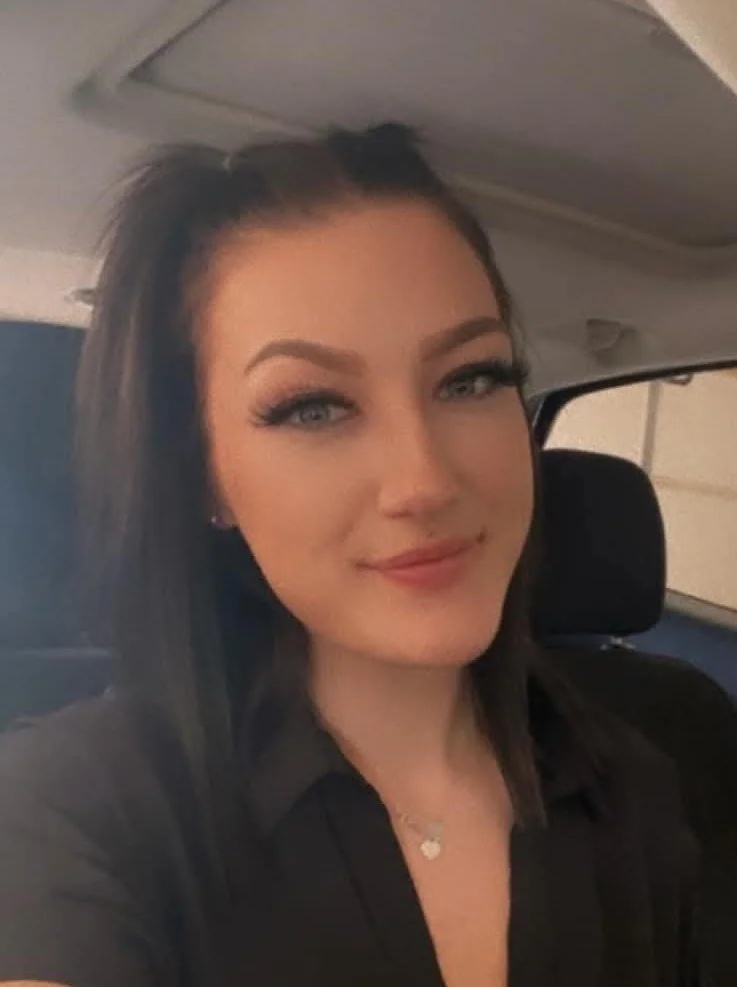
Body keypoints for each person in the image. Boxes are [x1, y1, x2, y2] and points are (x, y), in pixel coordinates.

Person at [0, 123, 699, 987]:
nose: (423, 480)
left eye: (469, 378)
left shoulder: (677, 746)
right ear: (205, 479)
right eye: (311, 408)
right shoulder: (73, 809)